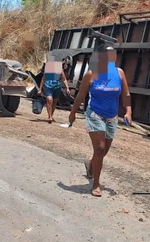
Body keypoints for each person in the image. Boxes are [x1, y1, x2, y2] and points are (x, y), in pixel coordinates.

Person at [68, 44, 132, 197]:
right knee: (100, 148)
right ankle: (96, 184)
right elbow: (80, 96)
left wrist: (128, 111)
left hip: (112, 117)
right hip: (95, 114)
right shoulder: (92, 74)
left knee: (103, 152)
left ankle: (91, 164)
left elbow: (126, 94)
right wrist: (73, 113)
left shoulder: (119, 73)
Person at [38, 59, 70, 123]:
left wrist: (67, 88)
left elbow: (64, 79)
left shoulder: (60, 70)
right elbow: (43, 79)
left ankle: (51, 115)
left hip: (57, 87)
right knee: (49, 100)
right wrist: (40, 89)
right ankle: (49, 116)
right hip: (48, 86)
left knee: (54, 102)